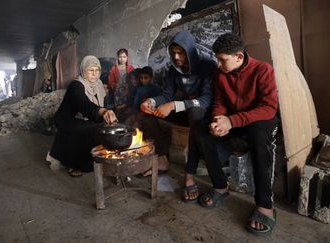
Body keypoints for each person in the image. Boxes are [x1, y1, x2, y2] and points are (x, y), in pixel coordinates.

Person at [198, 33, 279, 236]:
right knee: (201, 131)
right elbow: (220, 102)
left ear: (239, 57)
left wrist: (232, 121)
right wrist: (218, 120)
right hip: (234, 120)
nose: (218, 64)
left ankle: (264, 204)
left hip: (259, 119)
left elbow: (268, 108)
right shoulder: (220, 75)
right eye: (217, 59)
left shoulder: (263, 70)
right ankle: (219, 186)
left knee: (258, 135)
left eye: (222, 60)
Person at [140, 31, 216, 192]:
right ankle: (161, 160)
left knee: (195, 114)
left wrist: (174, 105)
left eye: (180, 52)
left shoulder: (207, 65)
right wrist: (152, 102)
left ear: (190, 50)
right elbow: (166, 96)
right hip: (185, 108)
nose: (176, 57)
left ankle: (189, 174)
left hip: (206, 113)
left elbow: (206, 100)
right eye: (173, 52)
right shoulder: (173, 70)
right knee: (147, 115)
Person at [47, 55, 118, 177]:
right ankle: (76, 164)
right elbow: (83, 104)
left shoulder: (98, 84)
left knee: (109, 125)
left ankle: (100, 157)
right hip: (66, 119)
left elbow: (101, 103)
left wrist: (108, 112)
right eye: (90, 70)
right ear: (83, 70)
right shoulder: (76, 85)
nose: (94, 74)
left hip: (87, 115)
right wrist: (102, 112)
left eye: (97, 71)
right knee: (90, 128)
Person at [108, 48, 135, 121]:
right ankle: (117, 122)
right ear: (117, 58)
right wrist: (116, 87)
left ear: (127, 58)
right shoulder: (114, 69)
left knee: (128, 107)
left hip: (128, 92)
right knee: (118, 109)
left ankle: (127, 123)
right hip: (118, 93)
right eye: (120, 57)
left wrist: (130, 88)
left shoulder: (131, 68)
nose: (122, 59)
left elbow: (134, 79)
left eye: (124, 57)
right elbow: (111, 81)